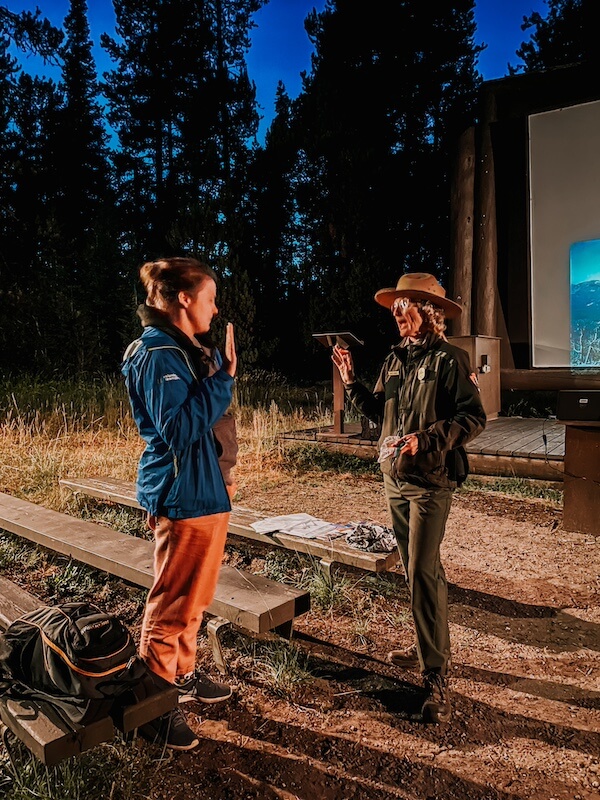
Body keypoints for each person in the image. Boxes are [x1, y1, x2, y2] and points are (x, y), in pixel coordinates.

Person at [332, 272, 486, 724]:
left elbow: (474, 418)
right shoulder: (395, 359)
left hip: (431, 480)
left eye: (405, 308)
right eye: (395, 309)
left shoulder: (451, 360)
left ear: (430, 312)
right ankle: (427, 643)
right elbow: (382, 413)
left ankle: (435, 676)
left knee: (421, 569)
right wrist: (352, 380)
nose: (397, 315)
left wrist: (429, 439)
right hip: (394, 479)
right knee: (416, 566)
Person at [121, 256, 237, 750]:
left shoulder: (183, 348)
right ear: (184, 299)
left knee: (197, 598)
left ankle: (182, 672)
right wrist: (223, 378)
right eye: (209, 298)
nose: (214, 309)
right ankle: (154, 704)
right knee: (172, 604)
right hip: (181, 492)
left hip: (205, 490)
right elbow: (180, 430)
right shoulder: (157, 354)